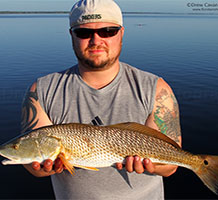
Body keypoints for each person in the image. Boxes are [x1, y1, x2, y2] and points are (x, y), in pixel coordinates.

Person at [21, 0, 182, 199]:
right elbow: (32, 161)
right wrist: (43, 168)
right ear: (71, 35)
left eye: (107, 31)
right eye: (83, 33)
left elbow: (172, 166)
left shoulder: (156, 89)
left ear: (121, 33)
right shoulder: (42, 90)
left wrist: (154, 166)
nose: (96, 40)